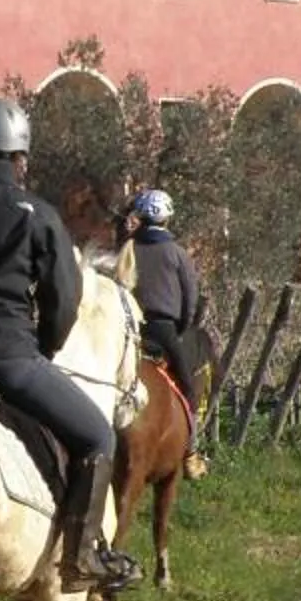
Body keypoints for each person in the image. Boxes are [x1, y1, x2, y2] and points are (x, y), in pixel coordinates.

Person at [0, 94, 139, 596]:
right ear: (17, 158)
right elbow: (64, 297)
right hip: (6, 359)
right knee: (99, 437)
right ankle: (81, 559)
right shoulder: (36, 215)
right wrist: (42, 347)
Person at [121, 186, 214, 454]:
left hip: (131, 328)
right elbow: (190, 297)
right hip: (164, 329)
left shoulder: (128, 248)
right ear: (167, 219)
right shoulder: (177, 253)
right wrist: (181, 328)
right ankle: (190, 452)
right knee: (187, 386)